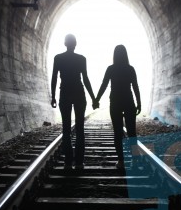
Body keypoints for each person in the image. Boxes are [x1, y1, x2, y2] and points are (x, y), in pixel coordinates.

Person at [51, 34, 97, 170]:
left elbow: (54, 78)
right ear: (75, 44)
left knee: (66, 129)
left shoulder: (58, 58)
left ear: (65, 43)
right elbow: (86, 79)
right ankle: (79, 162)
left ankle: (67, 162)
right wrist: (93, 98)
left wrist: (53, 96)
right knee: (80, 128)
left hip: (64, 93)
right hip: (79, 93)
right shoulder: (81, 59)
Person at [94, 44, 141, 169]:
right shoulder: (130, 69)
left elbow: (104, 85)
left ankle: (121, 161)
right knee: (132, 132)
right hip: (129, 101)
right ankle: (135, 160)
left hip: (115, 102)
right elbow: (135, 87)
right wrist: (139, 103)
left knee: (117, 132)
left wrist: (96, 99)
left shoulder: (111, 69)